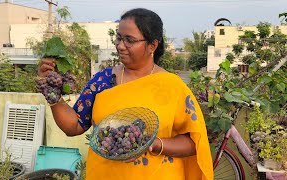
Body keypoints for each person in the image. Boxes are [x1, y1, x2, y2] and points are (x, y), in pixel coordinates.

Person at [38, 8, 213, 180]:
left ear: (152, 45)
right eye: (119, 38)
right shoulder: (103, 81)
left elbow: (193, 141)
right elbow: (73, 126)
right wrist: (53, 94)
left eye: (129, 40)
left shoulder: (171, 86)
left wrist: (153, 144)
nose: (120, 46)